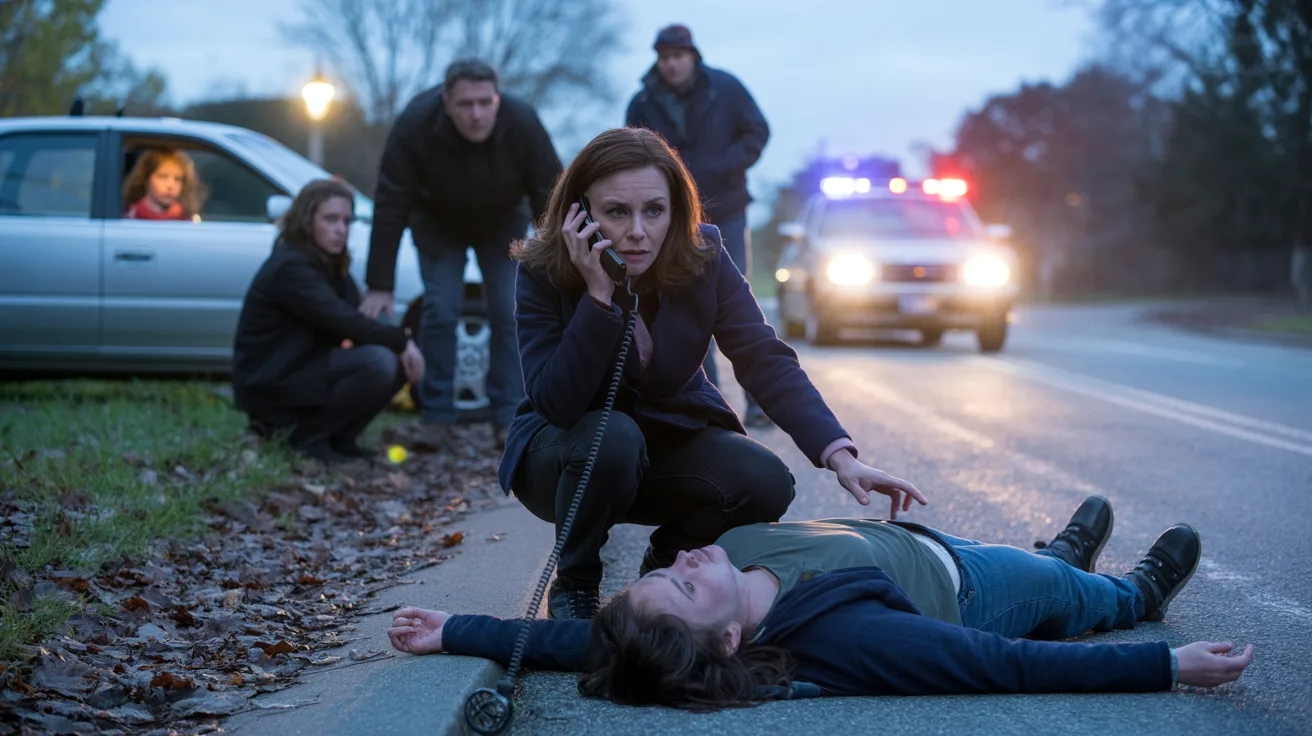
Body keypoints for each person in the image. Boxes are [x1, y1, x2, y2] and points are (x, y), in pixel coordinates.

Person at [498, 127, 923, 621]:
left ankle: (666, 568)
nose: (638, 231)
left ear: (675, 210)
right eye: (617, 212)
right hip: (565, 455)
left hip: (664, 445)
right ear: (581, 214)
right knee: (612, 436)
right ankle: (575, 585)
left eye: (654, 210)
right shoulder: (543, 270)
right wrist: (598, 297)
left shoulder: (703, 255)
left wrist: (840, 455)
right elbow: (557, 403)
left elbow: (762, 355)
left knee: (764, 481)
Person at [387, 496, 1256, 703]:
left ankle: (1061, 559)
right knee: (1066, 595)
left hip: (907, 540)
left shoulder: (670, 622)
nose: (687, 557)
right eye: (685, 580)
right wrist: (1165, 663)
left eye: (661, 569)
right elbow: (1000, 665)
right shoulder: (850, 637)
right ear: (726, 642)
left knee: (1041, 569)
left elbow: (577, 645)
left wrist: (457, 628)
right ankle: (1123, 586)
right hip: (971, 591)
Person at [359, 59, 563, 447]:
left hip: (502, 221)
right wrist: (379, 283)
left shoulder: (522, 122)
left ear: (497, 99)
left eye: (485, 103)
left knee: (508, 309)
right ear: (446, 100)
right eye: (466, 104)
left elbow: (550, 194)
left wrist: (564, 260)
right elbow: (390, 203)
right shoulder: (415, 124)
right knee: (441, 308)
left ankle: (509, 417)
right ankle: (437, 418)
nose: (477, 114)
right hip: (437, 223)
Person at [626, 24, 772, 427]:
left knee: (735, 299)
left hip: (726, 208)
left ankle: (759, 404)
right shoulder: (643, 101)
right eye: (665, 57)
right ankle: (703, 400)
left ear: (693, 56)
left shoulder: (727, 88)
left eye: (679, 55)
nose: (672, 63)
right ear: (659, 60)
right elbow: (628, 151)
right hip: (671, 215)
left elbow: (758, 131)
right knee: (686, 300)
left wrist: (724, 167)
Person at [233, 179, 425, 463]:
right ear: (307, 220)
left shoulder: (327, 261)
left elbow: (356, 316)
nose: (340, 229)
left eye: (346, 221)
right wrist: (402, 341)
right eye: (330, 219)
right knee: (378, 362)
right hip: (272, 382)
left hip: (303, 368)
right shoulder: (291, 266)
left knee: (391, 361)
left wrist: (396, 338)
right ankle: (306, 438)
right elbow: (343, 321)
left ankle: (339, 440)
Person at [122, 148, 204, 221]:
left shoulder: (186, 218)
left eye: (177, 179)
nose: (171, 185)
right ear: (146, 179)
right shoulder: (130, 217)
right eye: (163, 176)